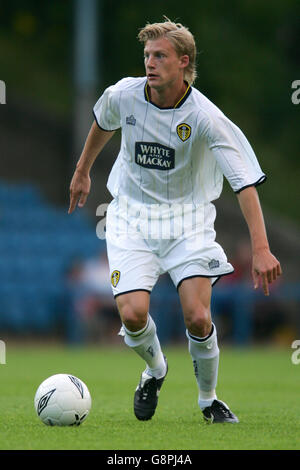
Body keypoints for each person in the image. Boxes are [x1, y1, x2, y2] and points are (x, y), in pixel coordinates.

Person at [68, 18, 282, 424]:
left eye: (160, 55)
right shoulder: (124, 95)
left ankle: (209, 400)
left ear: (184, 63)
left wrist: (262, 248)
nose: (150, 62)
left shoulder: (206, 117)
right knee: (132, 314)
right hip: (131, 217)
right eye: (147, 55)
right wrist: (82, 171)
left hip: (187, 222)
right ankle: (156, 370)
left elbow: (244, 184)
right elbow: (102, 122)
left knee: (198, 317)